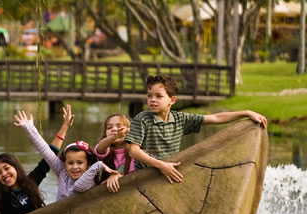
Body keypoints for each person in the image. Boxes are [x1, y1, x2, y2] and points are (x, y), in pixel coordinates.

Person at [125, 74, 268, 183]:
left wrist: (246, 113)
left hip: (169, 173)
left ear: (172, 100)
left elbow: (215, 118)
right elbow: (133, 151)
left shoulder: (181, 119)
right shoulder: (142, 119)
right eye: (149, 96)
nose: (152, 100)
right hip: (144, 177)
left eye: (158, 96)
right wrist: (161, 165)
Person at [14, 111, 118, 200]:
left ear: (88, 164)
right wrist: (29, 127)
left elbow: (78, 187)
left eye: (80, 162)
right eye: (70, 163)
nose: (74, 167)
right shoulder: (62, 171)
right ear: (65, 163)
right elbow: (45, 151)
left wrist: (98, 165)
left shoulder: (91, 177)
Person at [94, 113, 135, 192]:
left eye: (119, 126)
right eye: (109, 128)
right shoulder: (107, 150)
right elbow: (100, 148)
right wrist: (114, 137)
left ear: (129, 130)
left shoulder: (134, 150)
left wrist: (118, 176)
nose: (114, 129)